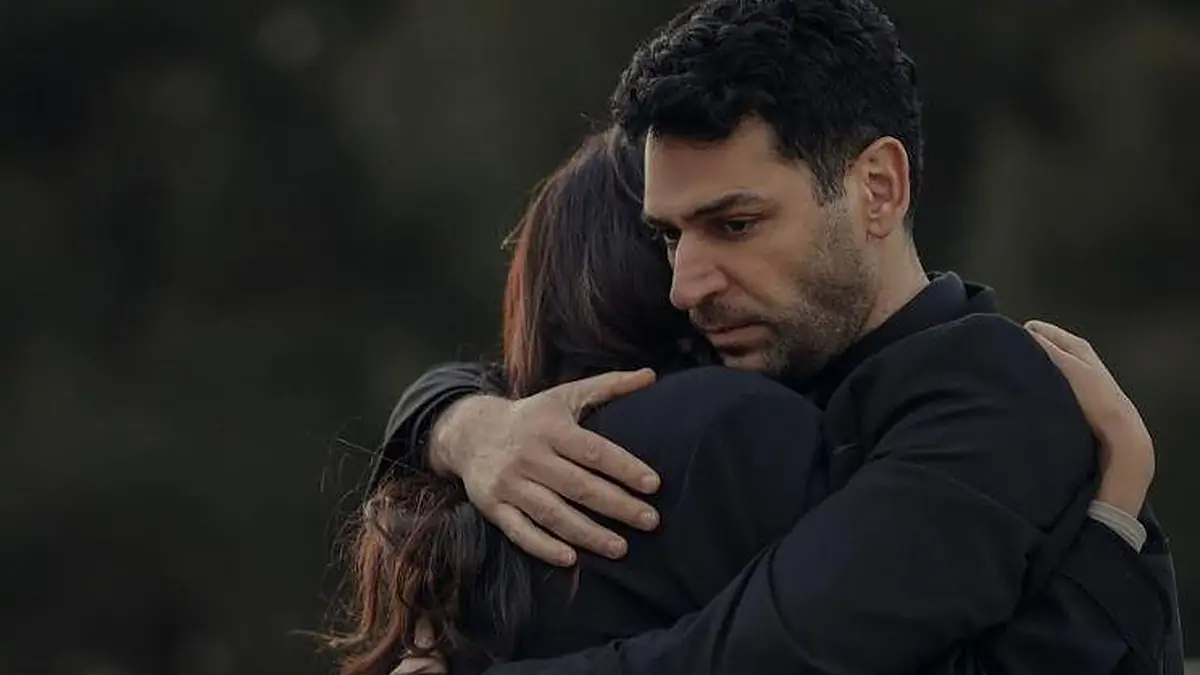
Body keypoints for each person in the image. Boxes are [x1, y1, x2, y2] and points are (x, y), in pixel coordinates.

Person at [375, 0, 1182, 672]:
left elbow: (769, 653)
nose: (685, 284)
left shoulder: (987, 390)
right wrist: (463, 425)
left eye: (735, 223)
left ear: (878, 189)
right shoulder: (762, 364)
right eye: (669, 236)